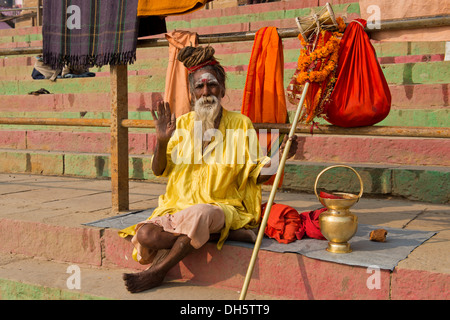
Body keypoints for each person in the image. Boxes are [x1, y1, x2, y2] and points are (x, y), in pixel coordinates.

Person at [120, 45, 298, 293]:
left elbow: (258, 176)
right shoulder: (180, 124)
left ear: (222, 89)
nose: (206, 92)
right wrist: (161, 141)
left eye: (212, 85)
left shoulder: (240, 124)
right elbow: (159, 170)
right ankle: (221, 235)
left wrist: (280, 156)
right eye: (199, 87)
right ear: (192, 94)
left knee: (202, 214)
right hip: (178, 208)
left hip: (221, 207)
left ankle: (158, 272)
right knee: (146, 235)